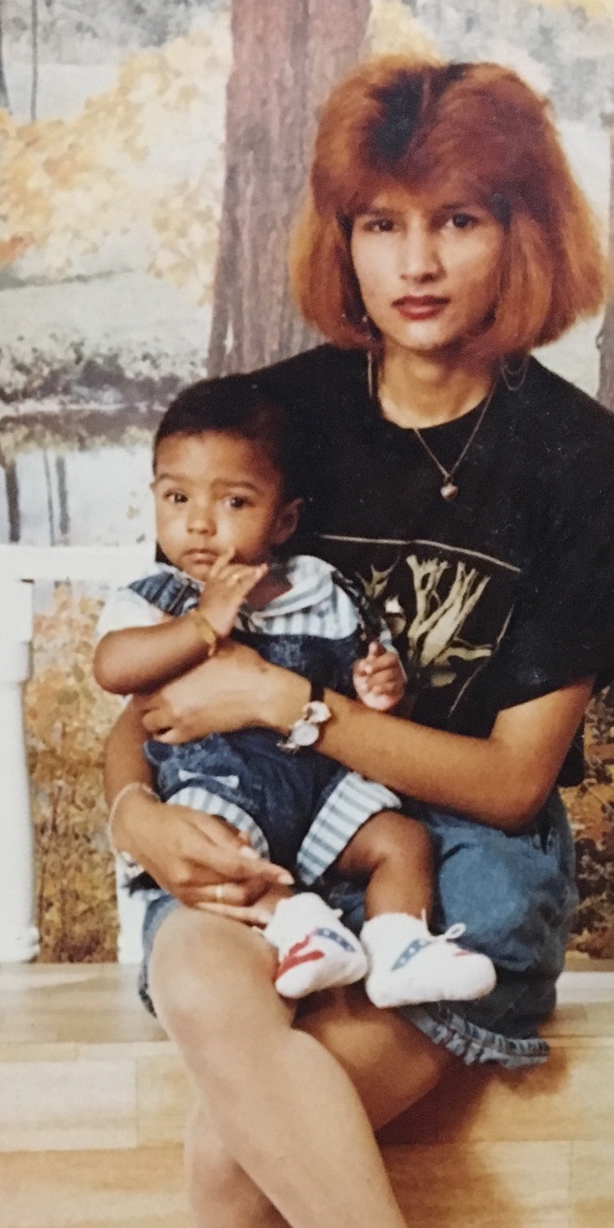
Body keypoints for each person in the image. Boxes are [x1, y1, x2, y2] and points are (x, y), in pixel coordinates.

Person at [103, 57, 614, 1228]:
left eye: (460, 220)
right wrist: (138, 821)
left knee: (233, 1149)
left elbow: (507, 779)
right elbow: (141, 682)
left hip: (452, 866)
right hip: (253, 826)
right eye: (380, 222)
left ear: (523, 235)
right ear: (340, 239)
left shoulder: (580, 458)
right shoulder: (277, 423)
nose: (415, 262)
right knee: (208, 993)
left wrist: (296, 707)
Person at [94, 375, 498, 1009]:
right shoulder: (158, 598)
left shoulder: (319, 588)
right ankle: (301, 928)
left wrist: (383, 687)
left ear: (283, 521)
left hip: (321, 783)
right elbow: (114, 667)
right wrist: (200, 627)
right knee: (226, 860)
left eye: (234, 504)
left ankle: (399, 945)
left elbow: (362, 676)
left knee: (402, 840)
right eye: (177, 498)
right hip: (221, 787)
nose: (200, 524)